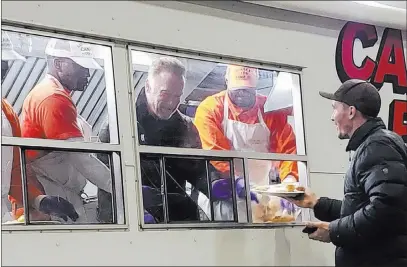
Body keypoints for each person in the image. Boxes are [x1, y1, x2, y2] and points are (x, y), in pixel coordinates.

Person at [288, 79, 407, 267]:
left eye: (335, 108)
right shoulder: (374, 144)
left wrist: (334, 231)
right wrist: (317, 204)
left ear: (351, 112)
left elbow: (386, 209)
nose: (332, 116)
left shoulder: (377, 146)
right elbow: (363, 208)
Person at [19, 38, 113, 223]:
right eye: (81, 66)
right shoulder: (53, 98)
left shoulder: (50, 93)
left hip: (60, 191)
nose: (87, 73)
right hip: (53, 195)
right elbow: (80, 158)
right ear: (59, 65)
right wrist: (124, 187)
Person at [194, 65, 298, 221]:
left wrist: (289, 183)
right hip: (225, 194)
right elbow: (215, 155)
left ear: (256, 86)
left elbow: (287, 151)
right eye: (237, 90)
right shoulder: (210, 109)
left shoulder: (270, 109)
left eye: (247, 90)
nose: (242, 94)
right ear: (226, 81)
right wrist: (237, 182)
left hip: (262, 192)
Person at [1, 35, 78, 223]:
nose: (4, 70)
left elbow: (14, 170)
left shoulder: (6, 112)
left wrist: (40, 200)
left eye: (5, 64)